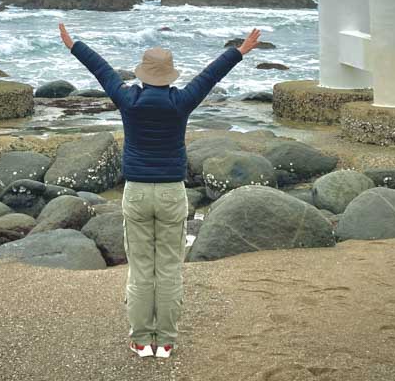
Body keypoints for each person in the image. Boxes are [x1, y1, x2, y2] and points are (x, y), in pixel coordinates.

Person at [58, 22, 261, 359]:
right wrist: (239, 51)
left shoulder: (129, 99)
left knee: (141, 270)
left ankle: (141, 341)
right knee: (167, 269)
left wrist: (73, 44)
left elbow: (101, 70)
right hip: (171, 193)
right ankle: (164, 342)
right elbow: (210, 76)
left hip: (136, 192)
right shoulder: (181, 101)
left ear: (142, 75)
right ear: (170, 76)